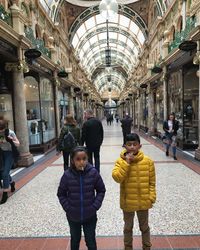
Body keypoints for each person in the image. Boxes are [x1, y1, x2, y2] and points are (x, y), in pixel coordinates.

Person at [112, 133, 156, 250]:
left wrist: (151, 197)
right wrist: (126, 163)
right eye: (129, 144)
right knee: (128, 228)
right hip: (128, 202)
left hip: (143, 201)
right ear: (124, 146)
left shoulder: (148, 162)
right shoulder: (120, 162)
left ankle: (147, 247)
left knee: (145, 227)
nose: (132, 147)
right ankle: (128, 247)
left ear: (140, 146)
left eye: (134, 144)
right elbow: (117, 178)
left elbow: (152, 182)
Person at [57, 146, 106, 250]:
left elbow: (101, 190)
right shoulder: (67, 175)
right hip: (73, 216)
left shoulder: (93, 173)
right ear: (72, 161)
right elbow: (61, 193)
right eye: (78, 159)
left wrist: (95, 206)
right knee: (75, 239)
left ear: (87, 159)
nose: (81, 162)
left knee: (91, 240)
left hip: (90, 215)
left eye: (84, 159)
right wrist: (68, 208)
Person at [0, 119, 20, 204]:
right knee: (4, 172)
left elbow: (18, 143)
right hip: (1, 153)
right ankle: (11, 183)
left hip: (10, 153)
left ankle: (5, 194)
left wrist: (11, 140)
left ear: (4, 128)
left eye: (1, 130)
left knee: (5, 173)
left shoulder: (10, 132)